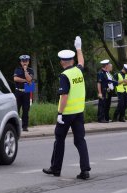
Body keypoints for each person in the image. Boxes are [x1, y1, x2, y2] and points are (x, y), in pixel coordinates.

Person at [43, 36, 91, 180]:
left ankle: (56, 168)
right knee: (80, 140)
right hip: (79, 112)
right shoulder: (78, 71)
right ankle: (85, 170)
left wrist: (59, 113)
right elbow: (82, 61)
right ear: (73, 60)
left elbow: (64, 96)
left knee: (59, 140)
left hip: (67, 113)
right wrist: (78, 48)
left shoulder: (64, 75)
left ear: (62, 62)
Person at [13, 55, 34, 131]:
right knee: (16, 109)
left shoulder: (30, 70)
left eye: (26, 61)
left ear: (28, 62)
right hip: (18, 91)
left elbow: (29, 78)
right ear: (20, 62)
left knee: (26, 110)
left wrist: (25, 71)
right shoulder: (17, 70)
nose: (24, 62)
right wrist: (25, 80)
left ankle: (24, 126)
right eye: (23, 61)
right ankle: (15, 126)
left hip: (27, 92)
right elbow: (15, 79)